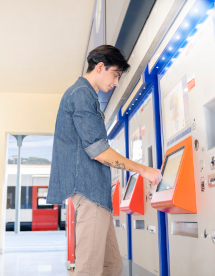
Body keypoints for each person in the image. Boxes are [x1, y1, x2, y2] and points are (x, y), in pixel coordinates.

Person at [47, 45, 162, 276]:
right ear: (100, 67)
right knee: (89, 269)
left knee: (112, 266)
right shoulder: (81, 94)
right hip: (90, 193)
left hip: (97, 195)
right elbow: (99, 150)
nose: (116, 83)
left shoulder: (87, 96)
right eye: (116, 75)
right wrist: (144, 170)